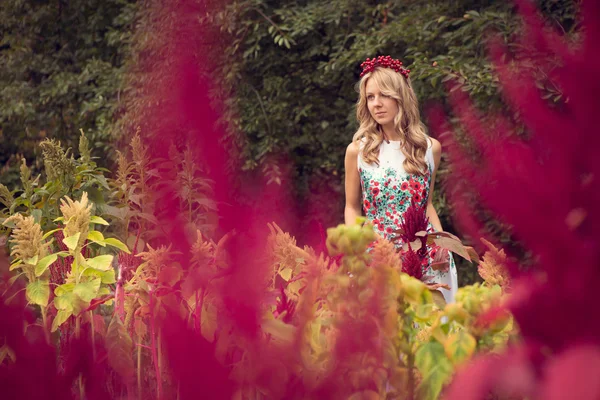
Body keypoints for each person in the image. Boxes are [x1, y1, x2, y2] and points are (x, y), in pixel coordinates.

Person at [344, 55, 457, 303]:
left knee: (430, 333)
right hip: (376, 254)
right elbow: (352, 207)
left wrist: (442, 245)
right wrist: (355, 250)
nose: (376, 104)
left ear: (401, 97)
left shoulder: (429, 148)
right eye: (370, 97)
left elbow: (426, 206)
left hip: (426, 256)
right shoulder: (358, 151)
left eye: (383, 95)